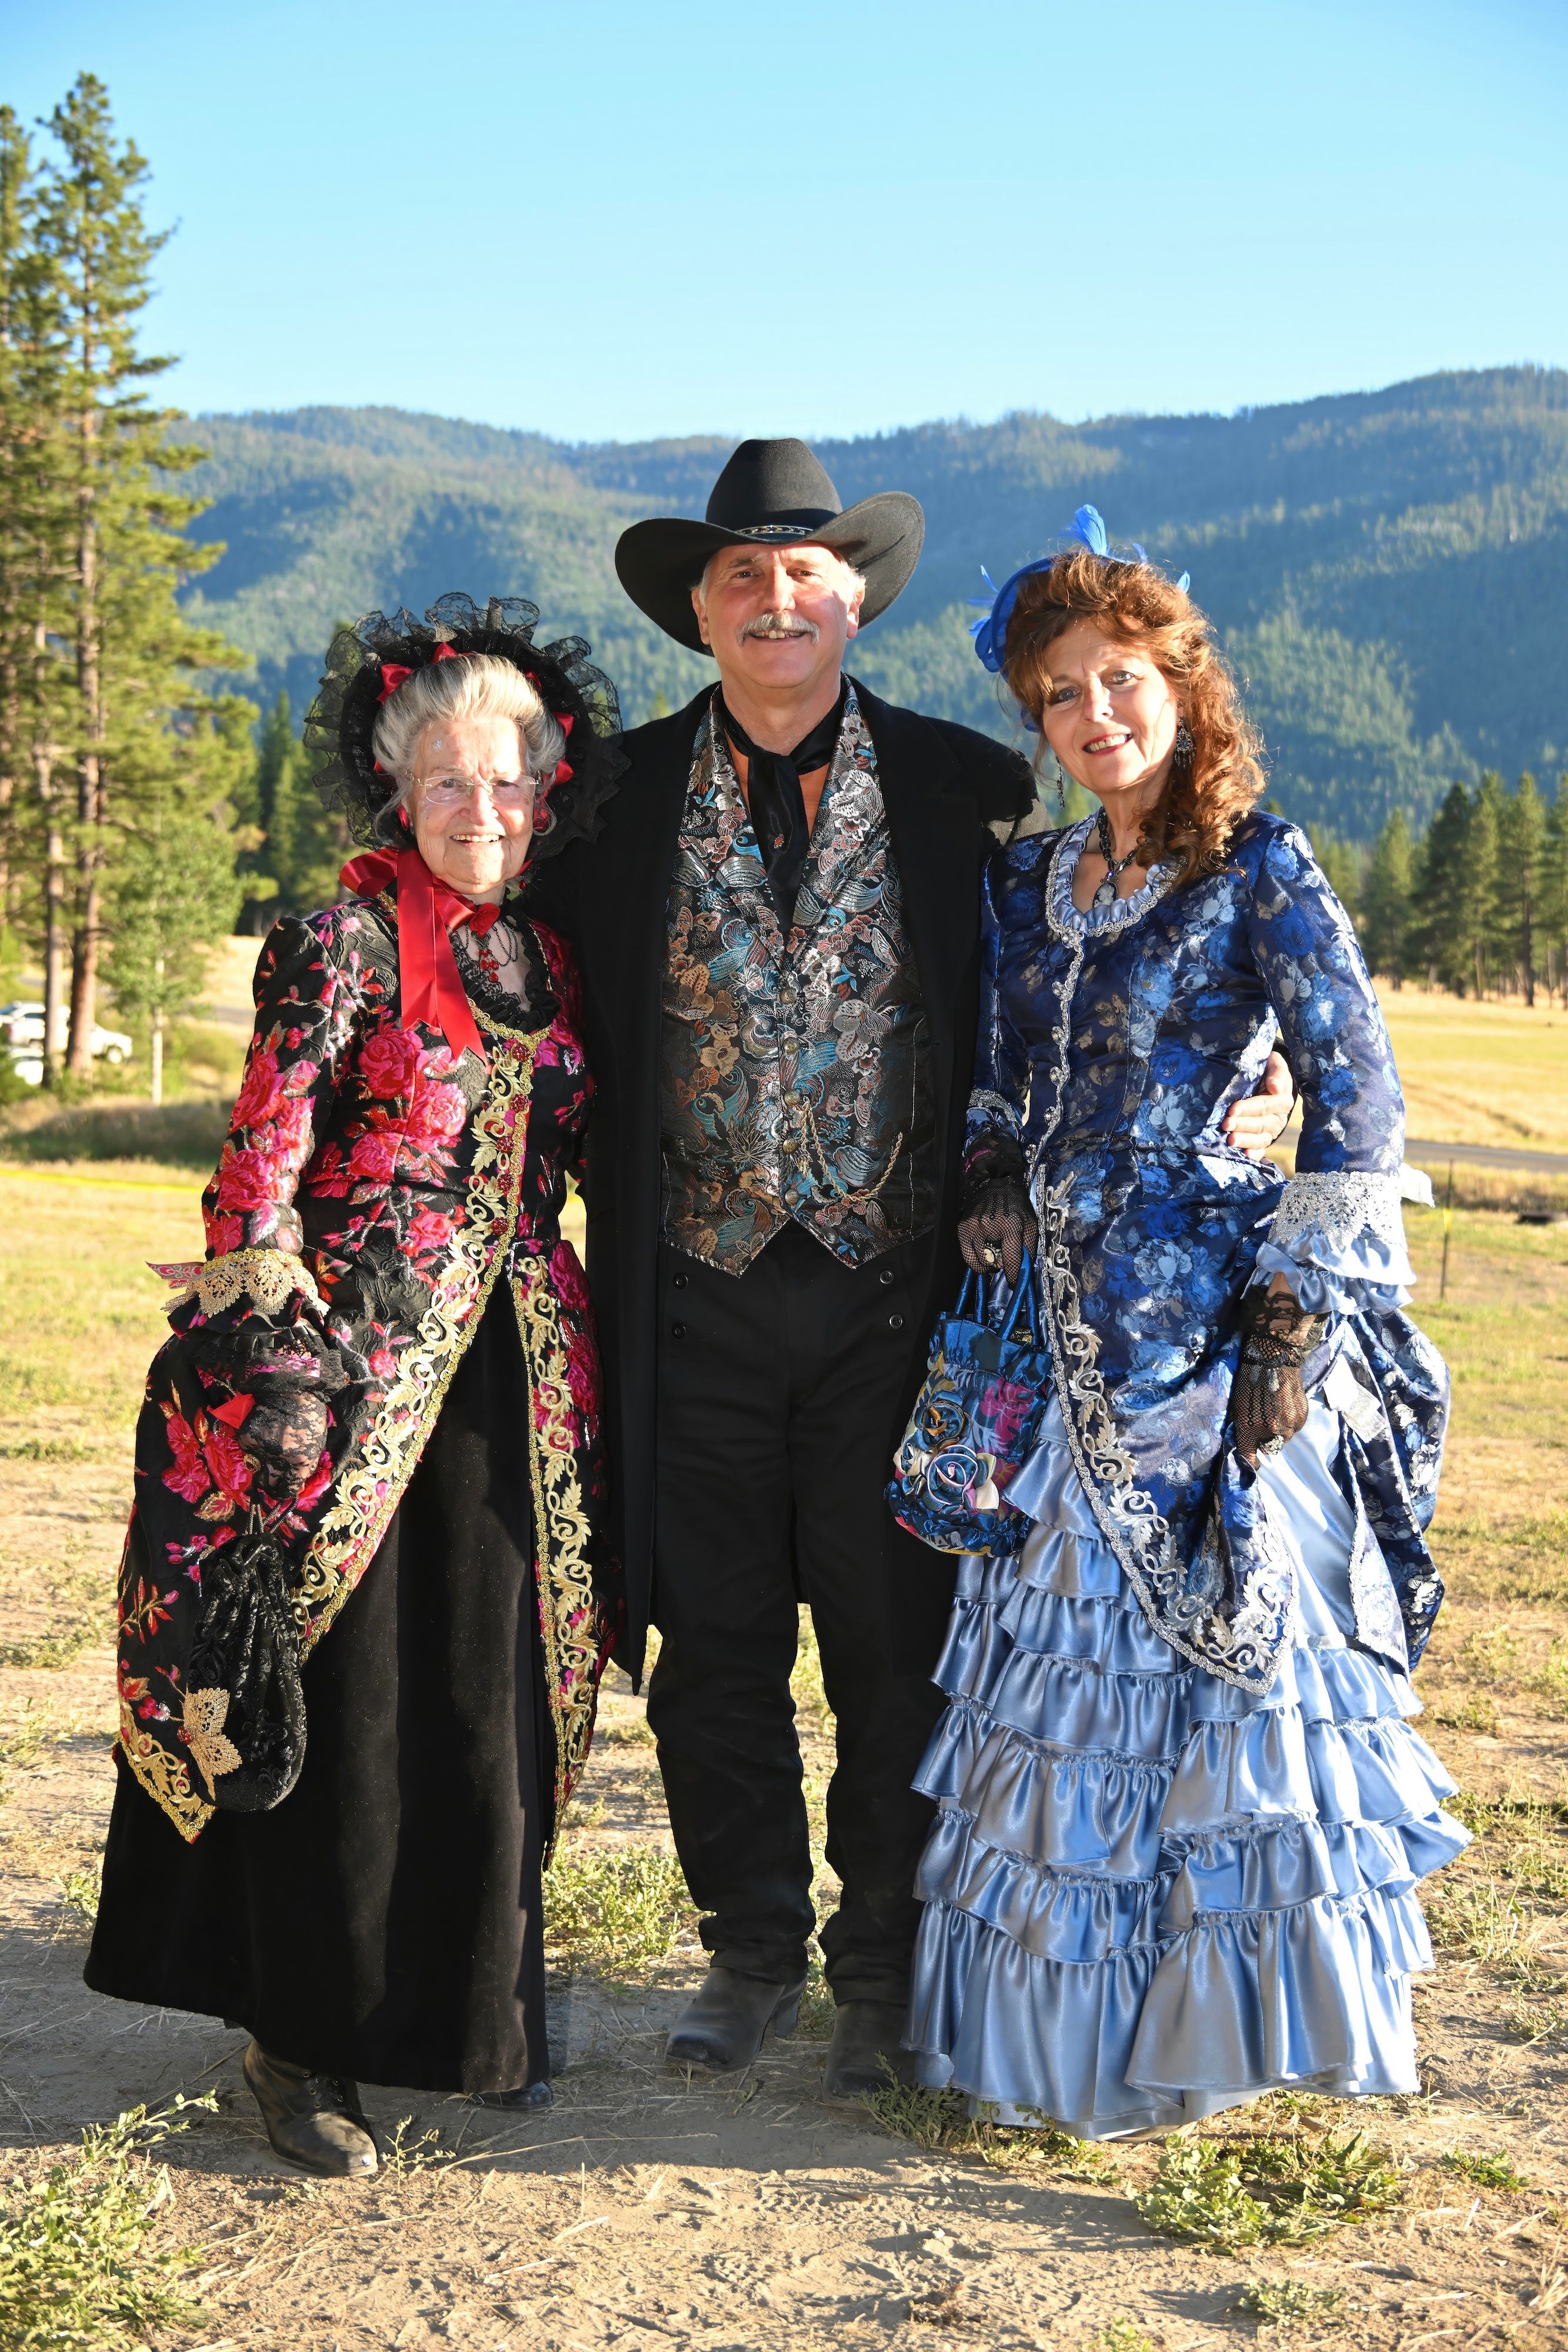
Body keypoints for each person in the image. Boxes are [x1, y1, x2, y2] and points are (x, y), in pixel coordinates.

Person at [527, 444, 1295, 2097]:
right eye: (740, 576)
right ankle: (745, 1947)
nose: (775, 598)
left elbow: (1073, 992)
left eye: (803, 571)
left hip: (900, 1302)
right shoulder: (613, 806)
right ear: (701, 615)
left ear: (854, 596)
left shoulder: (969, 795)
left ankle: (880, 1959)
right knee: (712, 1639)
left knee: (895, 1635)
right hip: (689, 1296)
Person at [899, 510, 1466, 2139]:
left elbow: (1356, 1102)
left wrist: (1289, 1324)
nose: (1093, 715)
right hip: (1048, 1329)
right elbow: (1003, 1080)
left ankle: (1216, 2032)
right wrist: (993, 1173)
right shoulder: (1029, 883)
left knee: (1227, 1693)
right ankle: (1047, 2042)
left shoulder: (1256, 871)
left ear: (1179, 684)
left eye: (1120, 679)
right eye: (1059, 691)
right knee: (1062, 1691)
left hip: (1209, 1335)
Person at [85, 595, 624, 2176]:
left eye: (512, 783)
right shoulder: (341, 938)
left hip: (522, 1376)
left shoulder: (547, 953)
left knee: (488, 1697)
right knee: (345, 1698)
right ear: (400, 788)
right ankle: (301, 2039)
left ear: (548, 791)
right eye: (449, 782)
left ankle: (462, 2024)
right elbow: (259, 1160)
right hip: (354, 1376)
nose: (484, 812)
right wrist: (264, 1351)